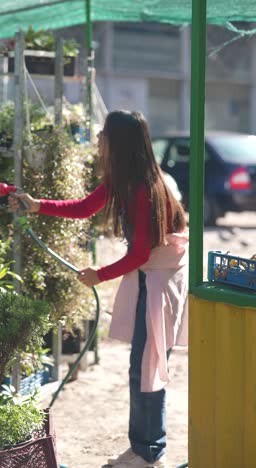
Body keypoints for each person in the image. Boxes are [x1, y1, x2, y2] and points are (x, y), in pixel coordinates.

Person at [9, 110, 189, 468]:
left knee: (147, 367)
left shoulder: (144, 188)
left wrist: (99, 275)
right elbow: (83, 208)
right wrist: (37, 205)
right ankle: (143, 447)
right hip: (149, 276)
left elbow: (139, 252)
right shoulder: (125, 180)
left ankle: (149, 452)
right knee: (142, 366)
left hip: (159, 282)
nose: (98, 139)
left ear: (117, 142)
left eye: (103, 134)